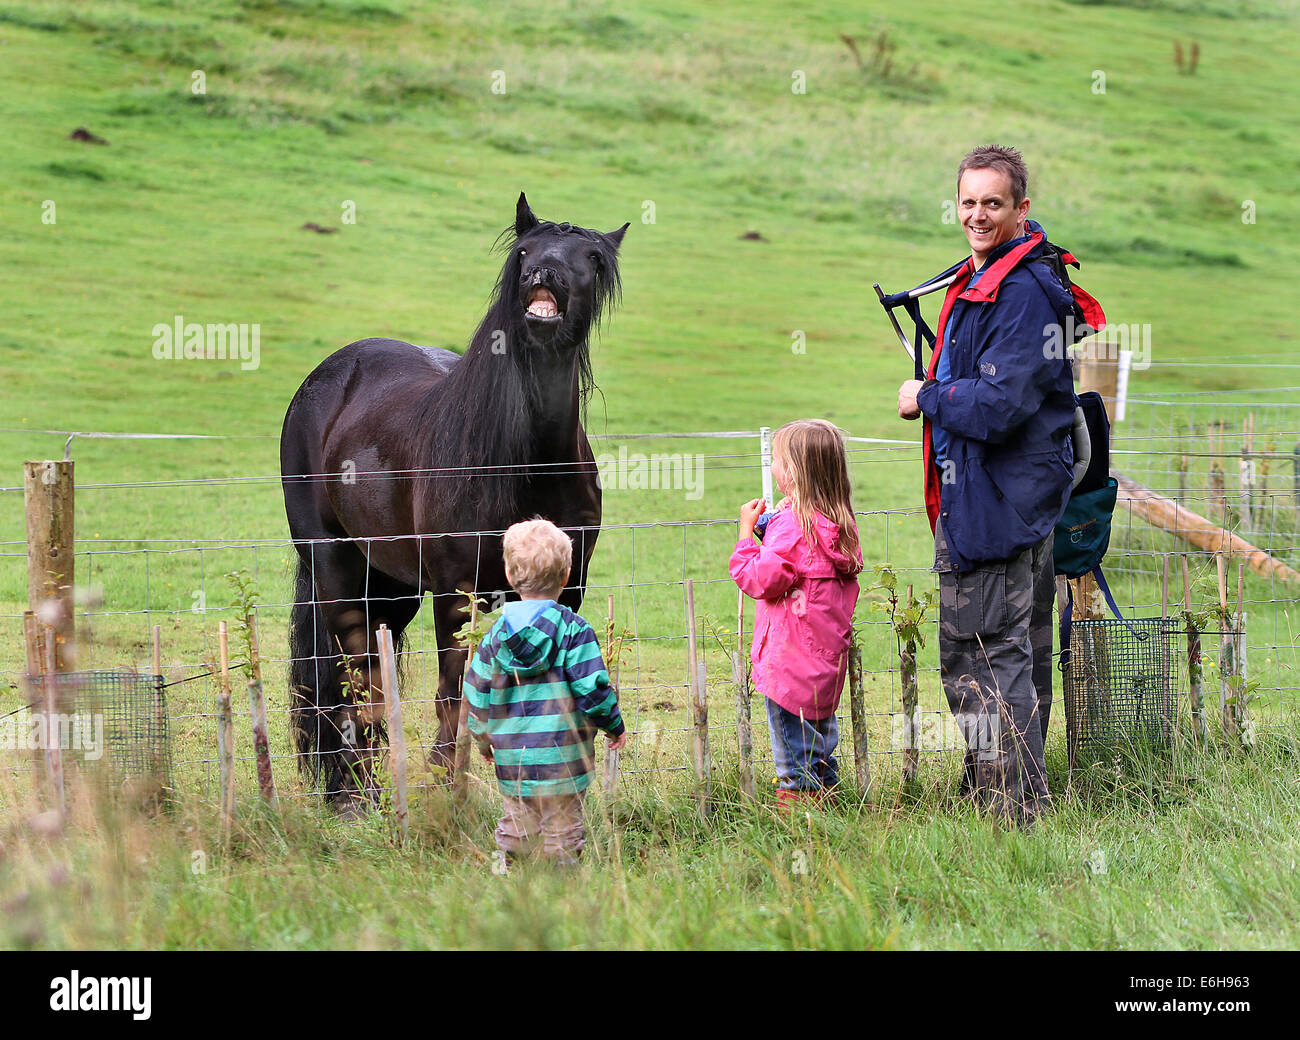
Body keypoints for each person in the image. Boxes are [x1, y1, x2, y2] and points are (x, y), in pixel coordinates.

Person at [895, 144, 1079, 825]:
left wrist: (928, 396)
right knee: (1018, 660)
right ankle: (1012, 801)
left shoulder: (1023, 292)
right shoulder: (995, 276)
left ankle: (1011, 812)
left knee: (977, 661)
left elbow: (999, 407)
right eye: (968, 202)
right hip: (1006, 499)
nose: (977, 214)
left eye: (992, 203)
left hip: (995, 505)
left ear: (1021, 209)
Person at [463, 517, 626, 866]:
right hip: (564, 758)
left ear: (509, 575)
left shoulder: (495, 636)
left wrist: (483, 740)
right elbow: (592, 688)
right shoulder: (574, 630)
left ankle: (506, 874)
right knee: (563, 830)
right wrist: (614, 725)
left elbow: (477, 695)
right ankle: (560, 885)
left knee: (517, 824)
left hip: (513, 759)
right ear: (566, 576)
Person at [729, 420, 863, 808]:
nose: (771, 465)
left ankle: (799, 831)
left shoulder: (791, 526)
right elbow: (801, 556)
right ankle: (831, 812)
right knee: (818, 750)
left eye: (776, 459)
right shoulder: (839, 524)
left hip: (788, 665)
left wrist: (745, 534)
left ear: (793, 473)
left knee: (793, 765)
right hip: (823, 666)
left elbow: (758, 578)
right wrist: (772, 526)